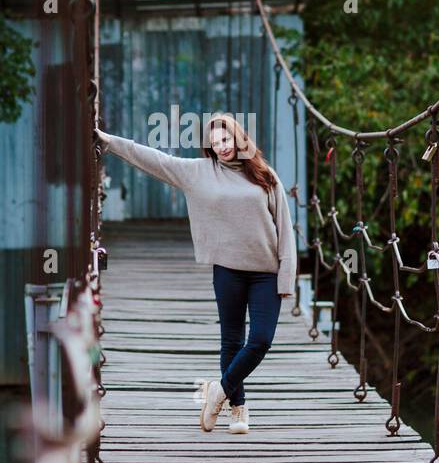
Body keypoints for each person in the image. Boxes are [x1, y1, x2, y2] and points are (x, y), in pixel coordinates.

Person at [95, 114, 296, 434]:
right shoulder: (200, 173)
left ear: (238, 138)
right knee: (232, 340)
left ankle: (219, 389)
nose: (222, 148)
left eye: (226, 140)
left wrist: (287, 278)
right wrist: (110, 143)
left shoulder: (265, 177)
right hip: (228, 270)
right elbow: (155, 160)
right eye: (215, 144)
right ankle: (237, 408)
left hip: (265, 274)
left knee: (259, 340)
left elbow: (284, 230)